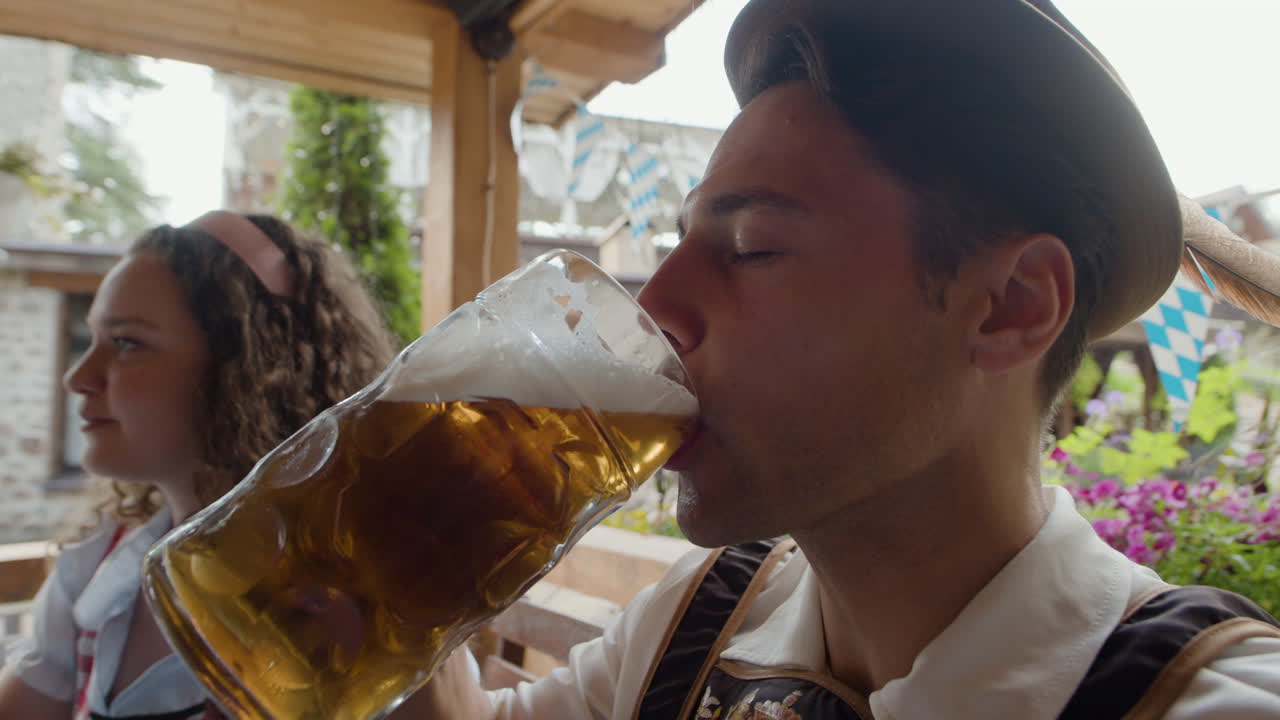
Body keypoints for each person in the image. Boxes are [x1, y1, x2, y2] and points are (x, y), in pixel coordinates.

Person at [398, 0, 1280, 718]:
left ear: (1013, 307)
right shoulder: (700, 621)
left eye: (750, 246)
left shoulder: (1195, 697)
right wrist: (390, 573)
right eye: (677, 242)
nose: (654, 309)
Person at [0, 211, 397, 720]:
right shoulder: (97, 563)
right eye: (92, 339)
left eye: (125, 343)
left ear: (243, 371)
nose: (78, 376)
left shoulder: (342, 610)